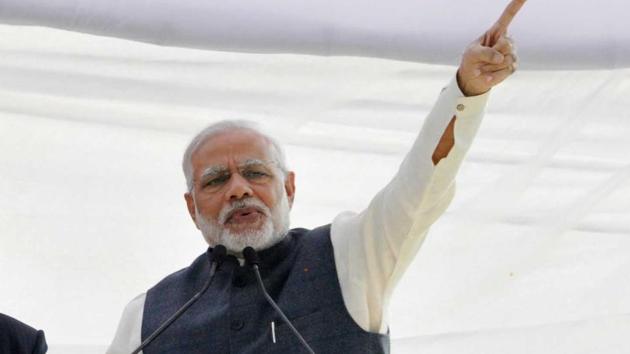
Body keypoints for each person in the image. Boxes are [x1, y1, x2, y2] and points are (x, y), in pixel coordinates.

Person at [107, 1, 524, 353]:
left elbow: (421, 187)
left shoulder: (347, 255)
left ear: (289, 187)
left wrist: (466, 91)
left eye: (256, 173)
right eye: (216, 181)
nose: (239, 190)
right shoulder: (148, 315)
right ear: (191, 207)